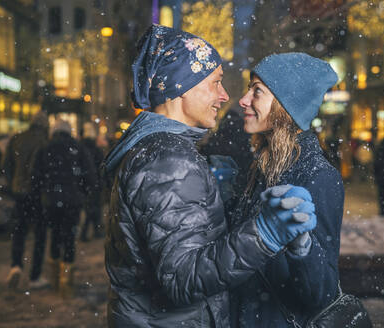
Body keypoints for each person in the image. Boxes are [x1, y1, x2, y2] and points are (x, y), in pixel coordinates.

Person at [102, 25, 316, 327]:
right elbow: (183, 279)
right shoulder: (168, 159)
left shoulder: (159, 150)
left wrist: (218, 199)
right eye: (215, 82)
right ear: (182, 87)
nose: (224, 95)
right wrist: (264, 235)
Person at [231, 53, 344, 327]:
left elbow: (323, 294)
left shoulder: (318, 176)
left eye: (257, 91)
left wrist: (302, 246)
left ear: (285, 105)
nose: (244, 100)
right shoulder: (261, 166)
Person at [32, 119, 96, 297]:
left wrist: (41, 195)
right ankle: (66, 283)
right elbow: (90, 175)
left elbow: (36, 176)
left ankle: (54, 278)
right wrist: (83, 192)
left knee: (55, 236)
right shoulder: (78, 148)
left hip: (50, 201)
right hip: (72, 201)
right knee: (69, 238)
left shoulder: (45, 149)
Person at [3, 111, 49, 290]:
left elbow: (5, 165)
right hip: (37, 195)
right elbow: (45, 170)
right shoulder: (44, 142)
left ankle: (15, 266)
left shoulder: (17, 139)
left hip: (18, 193)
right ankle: (35, 276)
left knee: (19, 231)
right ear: (44, 126)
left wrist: (12, 183)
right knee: (40, 235)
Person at [79, 122, 105, 241]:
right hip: (94, 182)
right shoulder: (96, 149)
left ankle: (88, 231)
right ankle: (92, 231)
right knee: (94, 208)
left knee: (89, 208)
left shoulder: (80, 148)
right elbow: (102, 166)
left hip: (83, 183)